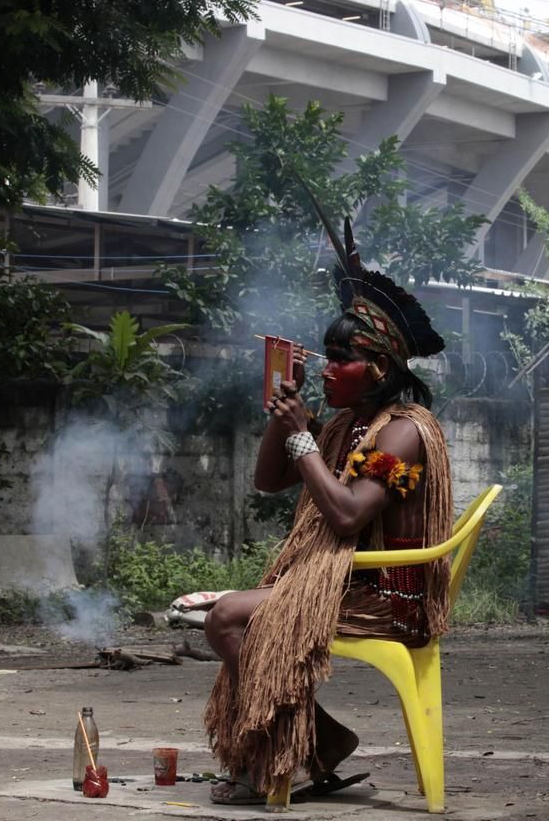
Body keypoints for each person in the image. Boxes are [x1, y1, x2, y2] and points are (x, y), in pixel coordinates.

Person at [202, 219, 453, 805]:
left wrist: (301, 438)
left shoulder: (406, 435)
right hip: (337, 586)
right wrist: (283, 417)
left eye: (341, 360)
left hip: (389, 597)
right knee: (228, 616)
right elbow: (269, 481)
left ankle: (290, 752)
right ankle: (317, 744)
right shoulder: (345, 426)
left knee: (227, 619)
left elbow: (345, 516)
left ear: (381, 368)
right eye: (327, 357)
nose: (324, 369)